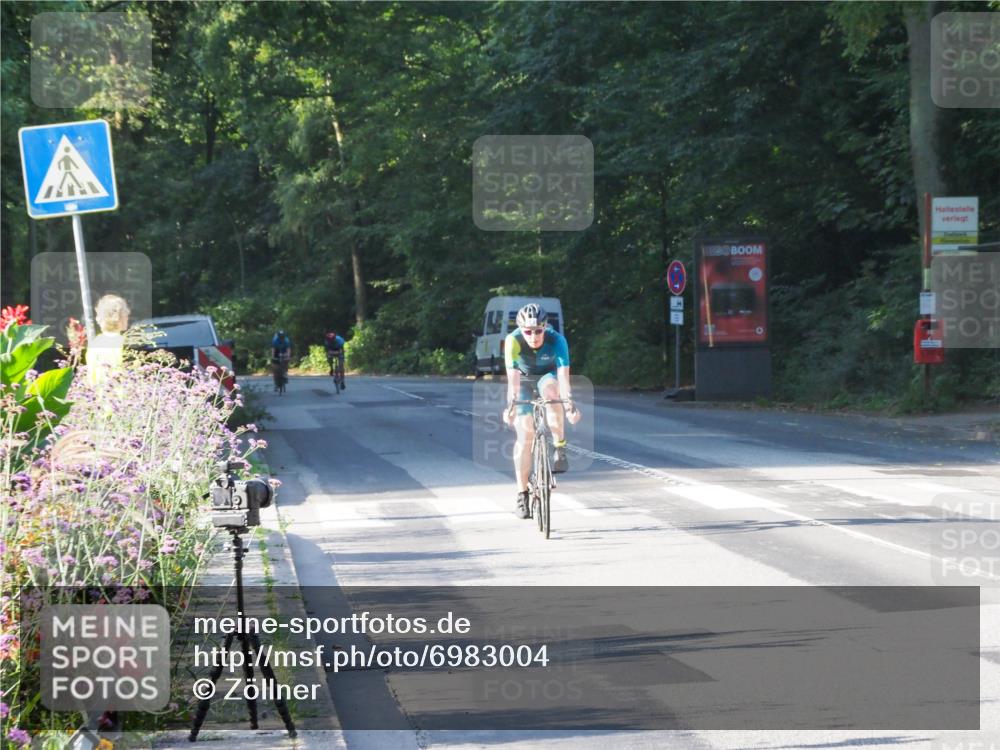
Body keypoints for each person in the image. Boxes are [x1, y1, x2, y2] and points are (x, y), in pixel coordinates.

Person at [502, 303, 581, 519]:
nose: (533, 335)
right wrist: (510, 406)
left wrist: (570, 405)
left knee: (552, 393)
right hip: (524, 381)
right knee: (524, 436)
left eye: (538, 330)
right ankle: (522, 494)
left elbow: (564, 379)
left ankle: (559, 447)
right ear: (521, 330)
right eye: (528, 331)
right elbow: (514, 382)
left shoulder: (557, 340)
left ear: (545, 327)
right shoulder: (513, 341)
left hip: (547, 377)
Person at [86, 294, 130, 386]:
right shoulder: (125, 342)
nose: (128, 315)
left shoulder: (95, 343)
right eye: (125, 313)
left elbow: (91, 375)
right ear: (118, 317)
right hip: (122, 394)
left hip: (101, 395)